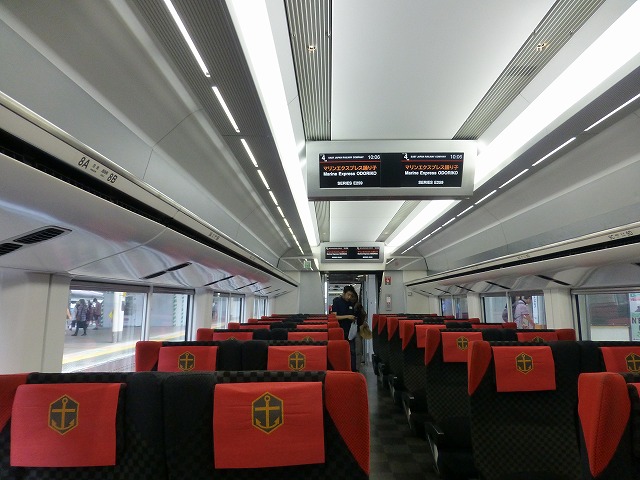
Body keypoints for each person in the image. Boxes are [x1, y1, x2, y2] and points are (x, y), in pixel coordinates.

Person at [332, 285, 358, 371]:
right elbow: (334, 317)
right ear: (344, 293)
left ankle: (353, 370)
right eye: (348, 295)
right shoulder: (337, 301)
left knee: (352, 351)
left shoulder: (351, 303)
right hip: (340, 331)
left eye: (351, 295)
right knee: (341, 351)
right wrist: (347, 316)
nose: (349, 297)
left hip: (350, 331)